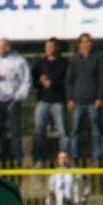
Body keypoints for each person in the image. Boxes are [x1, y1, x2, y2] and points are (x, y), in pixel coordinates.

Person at [0, 38, 31, 165]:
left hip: (13, 99)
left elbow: (26, 81)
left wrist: (18, 96)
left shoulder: (19, 61)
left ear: (7, 48)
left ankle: (17, 159)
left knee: (15, 130)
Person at [65, 33, 103, 165]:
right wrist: (70, 98)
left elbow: (102, 79)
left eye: (89, 41)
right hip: (78, 100)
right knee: (76, 129)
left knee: (96, 129)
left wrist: (100, 97)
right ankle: (75, 157)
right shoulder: (74, 59)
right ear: (80, 44)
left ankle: (97, 156)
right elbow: (69, 80)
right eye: (85, 42)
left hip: (93, 100)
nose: (87, 44)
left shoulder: (98, 58)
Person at [32, 37, 69, 168]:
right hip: (43, 100)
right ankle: (39, 159)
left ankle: (64, 160)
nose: (50, 49)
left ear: (57, 48)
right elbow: (33, 82)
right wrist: (41, 82)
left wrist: (53, 83)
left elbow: (67, 82)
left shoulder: (64, 63)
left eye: (52, 46)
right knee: (39, 131)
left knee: (63, 131)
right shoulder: (40, 63)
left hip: (58, 101)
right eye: (48, 46)